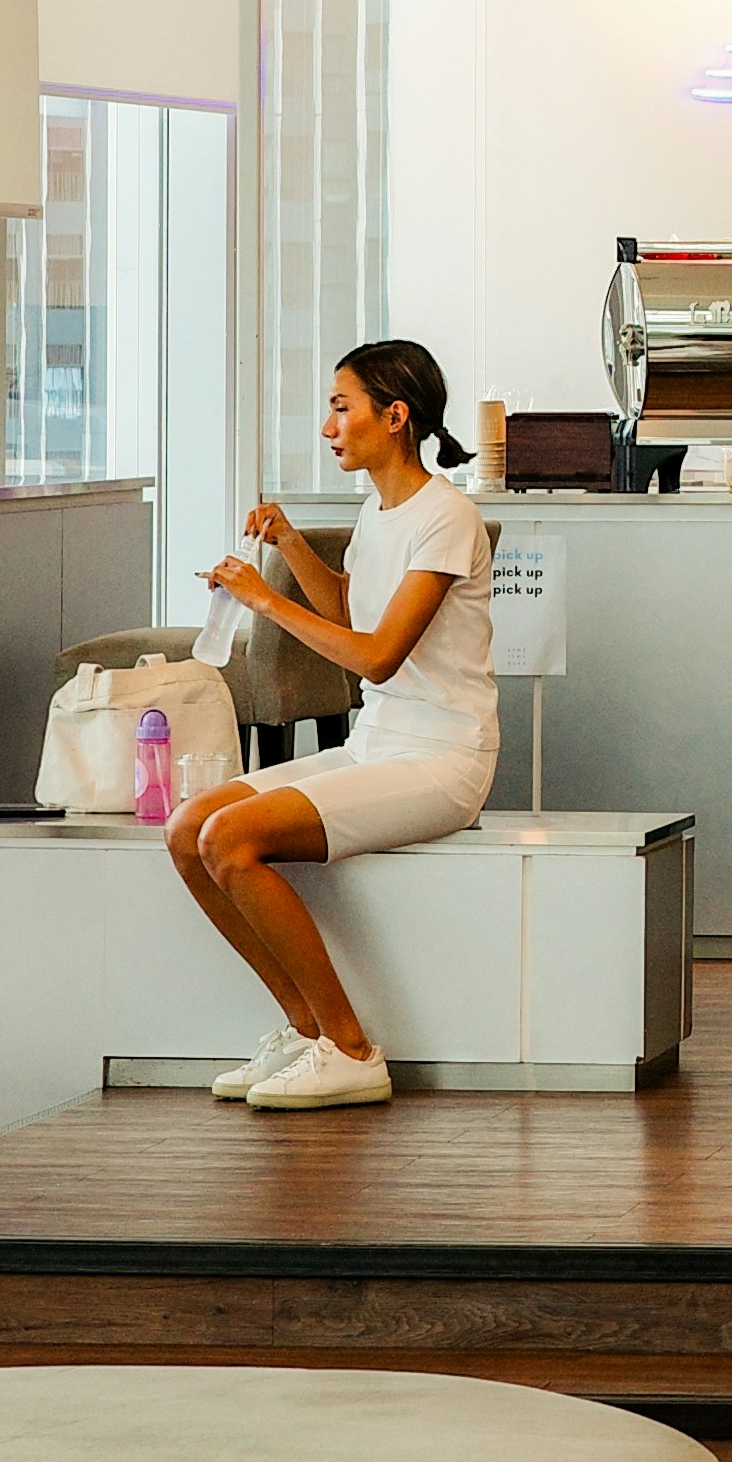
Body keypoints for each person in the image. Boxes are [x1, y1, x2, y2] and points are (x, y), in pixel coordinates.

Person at [160, 340, 495, 1113]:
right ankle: (307, 1030)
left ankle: (349, 1047)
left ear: (396, 416)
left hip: (443, 759)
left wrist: (263, 599)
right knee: (186, 830)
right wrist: (290, 546)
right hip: (379, 744)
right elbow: (351, 610)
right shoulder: (380, 509)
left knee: (229, 840)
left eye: (342, 407)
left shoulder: (446, 517)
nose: (328, 427)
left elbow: (376, 658)